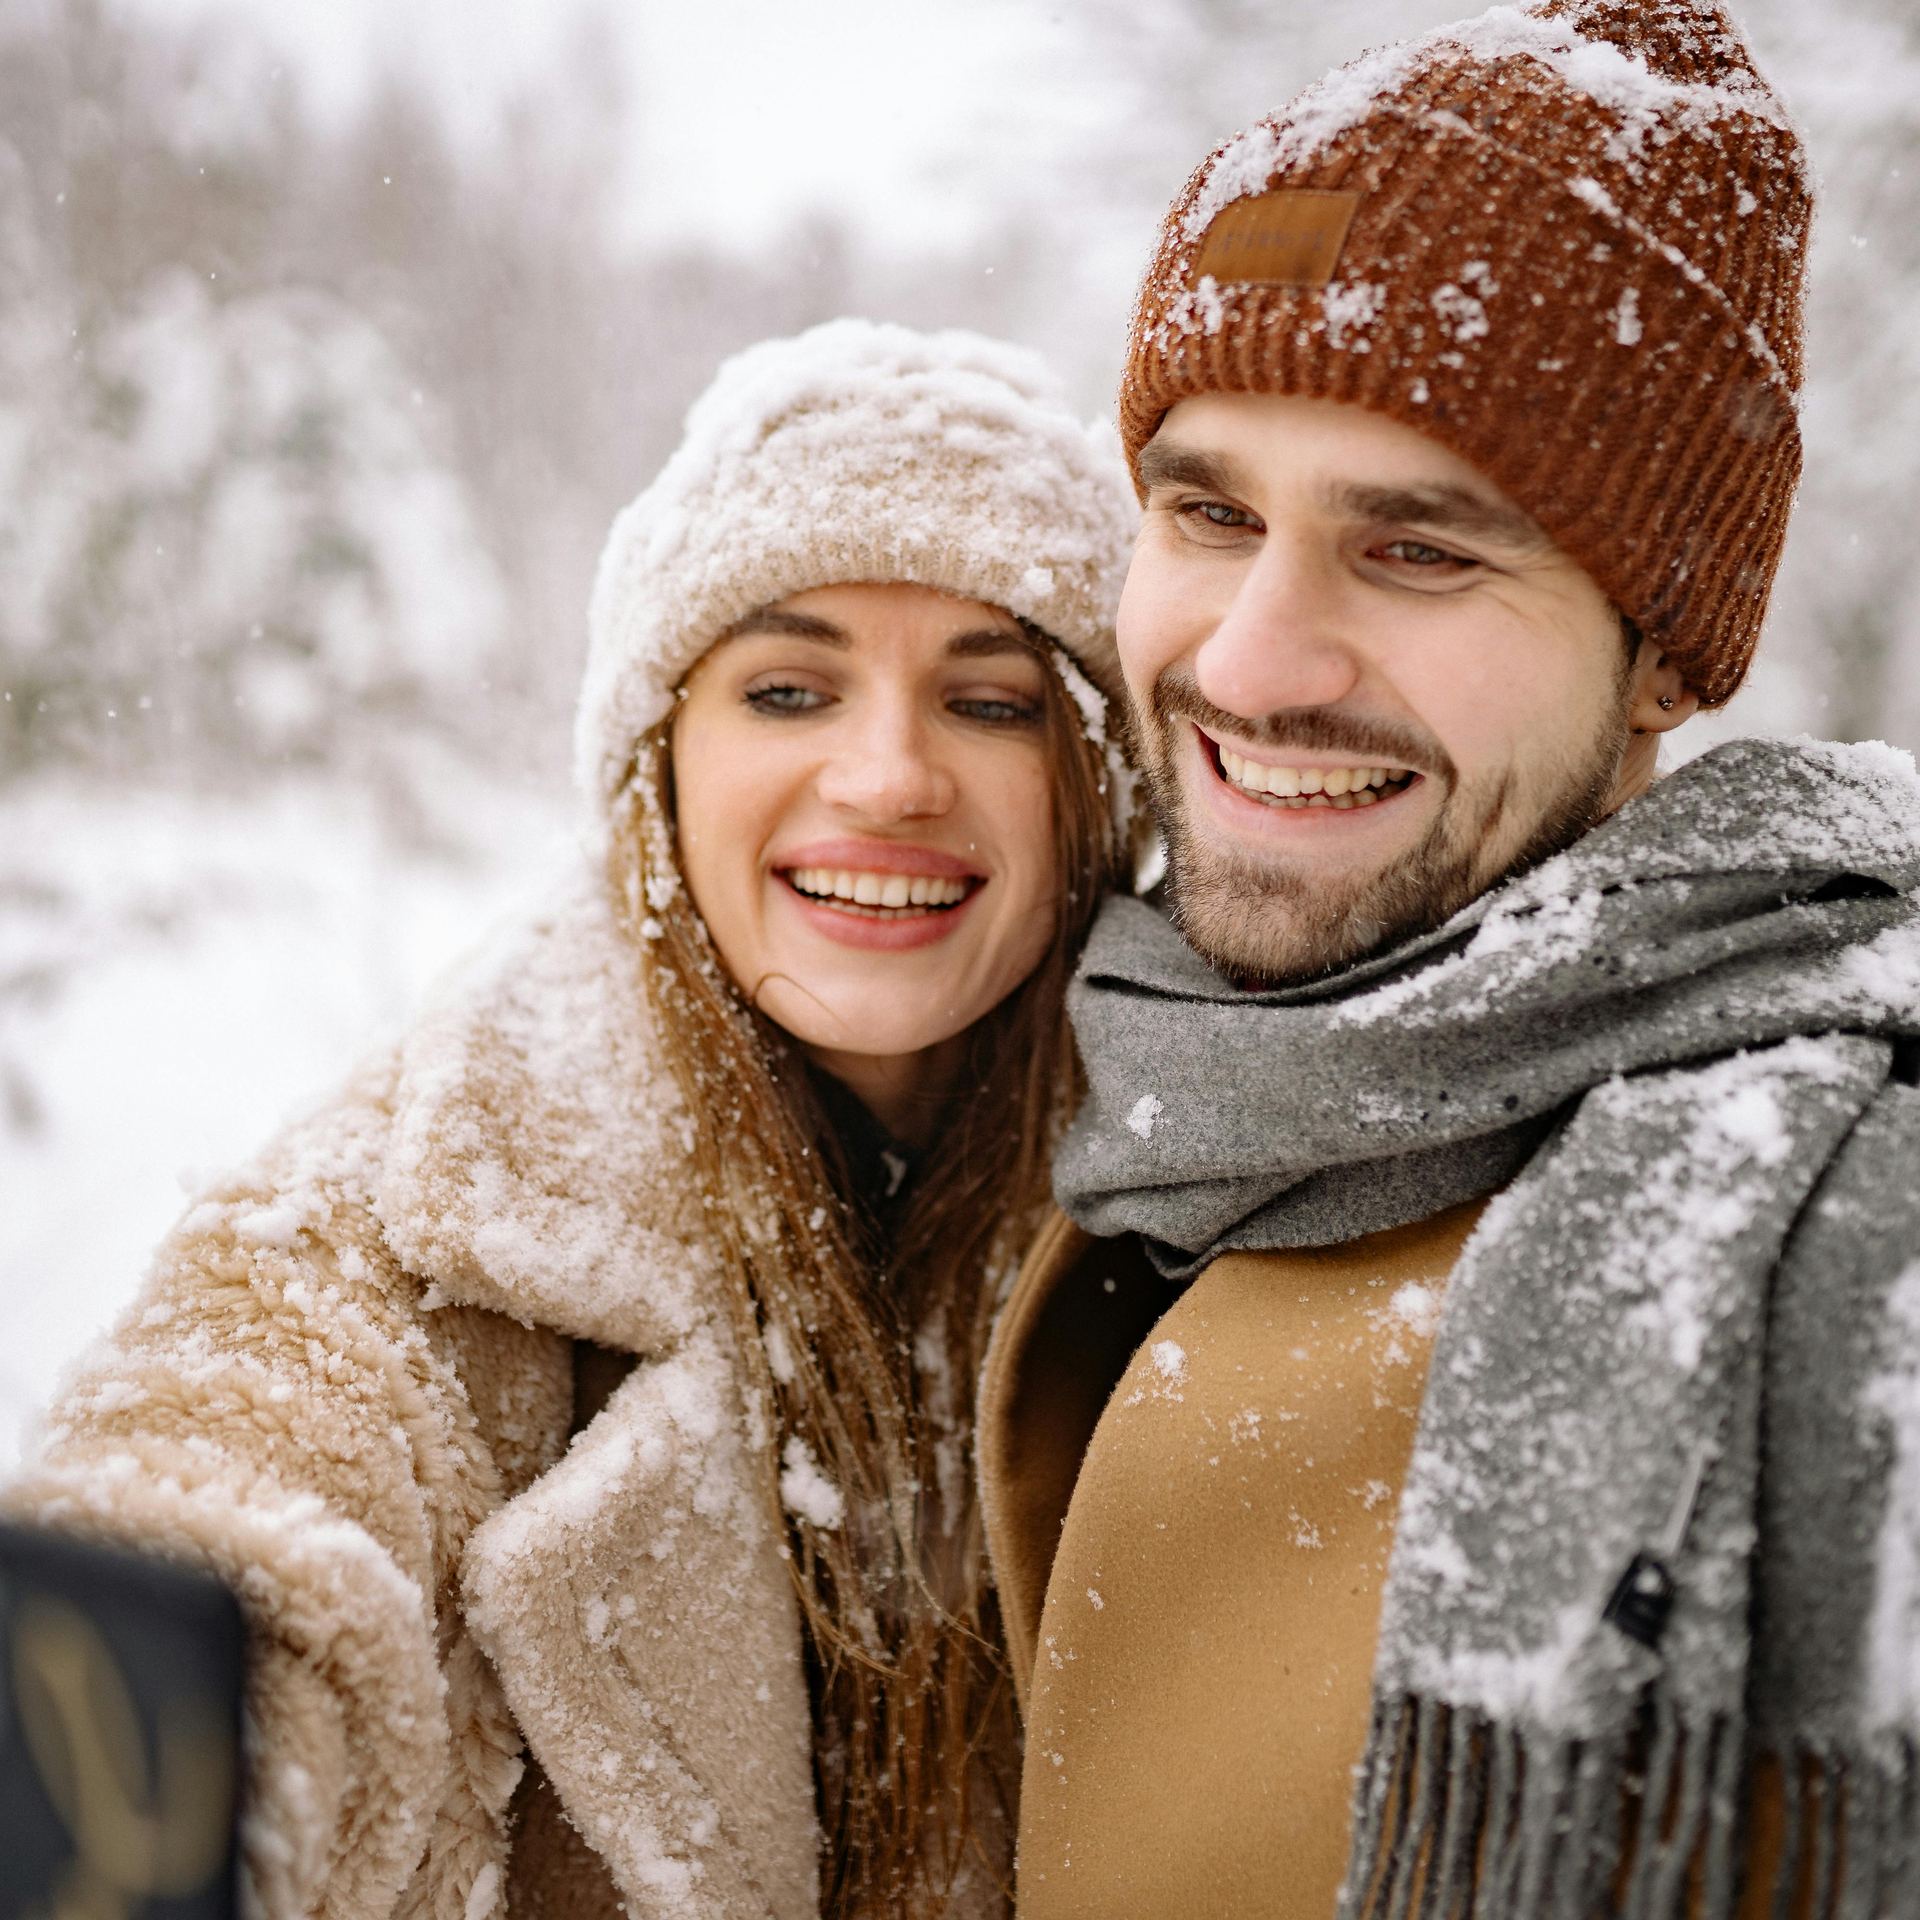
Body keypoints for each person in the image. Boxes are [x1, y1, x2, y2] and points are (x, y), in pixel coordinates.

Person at [6, 318, 1136, 1920]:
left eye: (994, 703)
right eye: (791, 688)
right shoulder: (422, 1223)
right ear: (661, 763)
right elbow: (223, 1510)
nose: (887, 776)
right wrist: (97, 1773)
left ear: (1100, 790)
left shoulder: (1207, 1209)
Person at [975, 3, 1920, 1916]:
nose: (1248, 659)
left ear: (1663, 652)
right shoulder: (1110, 1096)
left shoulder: (1849, 1239)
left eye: (1416, 551)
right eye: (1209, 511)